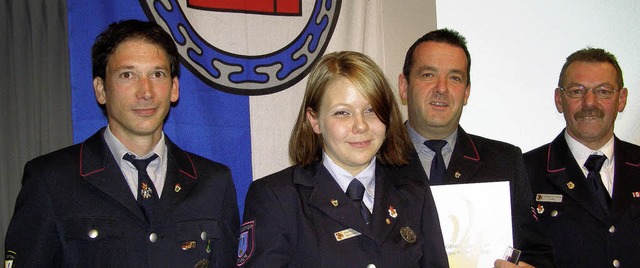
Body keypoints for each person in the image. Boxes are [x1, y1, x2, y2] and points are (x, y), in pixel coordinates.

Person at [3, 19, 239, 267]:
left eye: (157, 74)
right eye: (128, 75)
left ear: (174, 88)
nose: (146, 92)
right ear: (101, 89)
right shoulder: (50, 180)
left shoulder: (213, 182)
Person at [236, 51, 449, 267]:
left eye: (371, 110)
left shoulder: (414, 194)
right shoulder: (277, 198)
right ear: (314, 121)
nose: (360, 126)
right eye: (342, 113)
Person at [396, 28, 554, 267]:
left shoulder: (504, 161)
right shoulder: (375, 160)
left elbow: (536, 253)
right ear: (404, 86)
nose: (442, 88)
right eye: (428, 75)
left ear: (467, 92)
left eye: (455, 78)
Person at [524, 47, 639, 268]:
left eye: (603, 91)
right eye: (577, 91)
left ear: (622, 99)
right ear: (559, 99)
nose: (589, 103)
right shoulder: (525, 171)